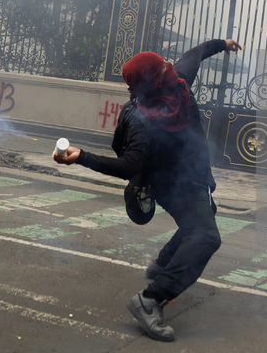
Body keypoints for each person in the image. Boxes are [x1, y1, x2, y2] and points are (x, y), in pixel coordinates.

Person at [53, 39, 242, 342]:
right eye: (164, 67)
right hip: (172, 185)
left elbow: (195, 54)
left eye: (167, 65)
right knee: (206, 236)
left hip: (194, 177)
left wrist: (223, 44)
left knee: (205, 219)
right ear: (153, 80)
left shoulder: (176, 84)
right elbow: (128, 165)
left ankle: (163, 264)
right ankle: (151, 299)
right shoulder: (143, 121)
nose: (170, 67)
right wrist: (82, 157)